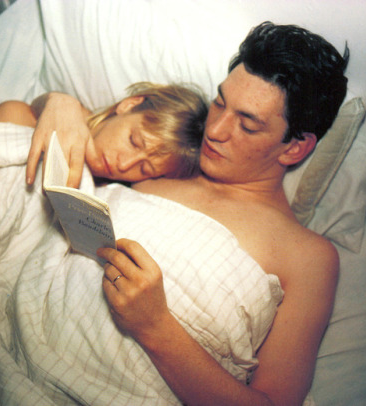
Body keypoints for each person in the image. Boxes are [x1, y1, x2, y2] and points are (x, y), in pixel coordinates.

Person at [30, 21, 349, 405]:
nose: (214, 130)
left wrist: (156, 327)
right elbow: (94, 132)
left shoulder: (308, 256)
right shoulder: (170, 161)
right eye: (219, 102)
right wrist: (58, 103)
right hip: (27, 329)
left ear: (294, 149)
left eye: (246, 125)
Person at [0, 82, 208, 185]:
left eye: (145, 169)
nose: (124, 165)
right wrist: (60, 102)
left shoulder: (111, 194)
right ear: (128, 105)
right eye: (134, 142)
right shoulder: (19, 118)